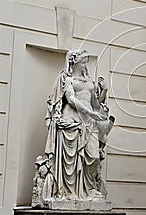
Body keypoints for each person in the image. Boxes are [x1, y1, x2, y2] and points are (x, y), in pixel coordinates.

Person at [41, 49, 114, 202]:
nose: (86, 64)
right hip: (72, 121)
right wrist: (90, 113)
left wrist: (104, 90)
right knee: (72, 161)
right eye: (83, 61)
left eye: (87, 61)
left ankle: (89, 189)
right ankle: (70, 192)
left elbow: (95, 103)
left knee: (93, 156)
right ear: (74, 61)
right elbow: (71, 99)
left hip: (89, 122)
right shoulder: (67, 79)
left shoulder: (89, 82)